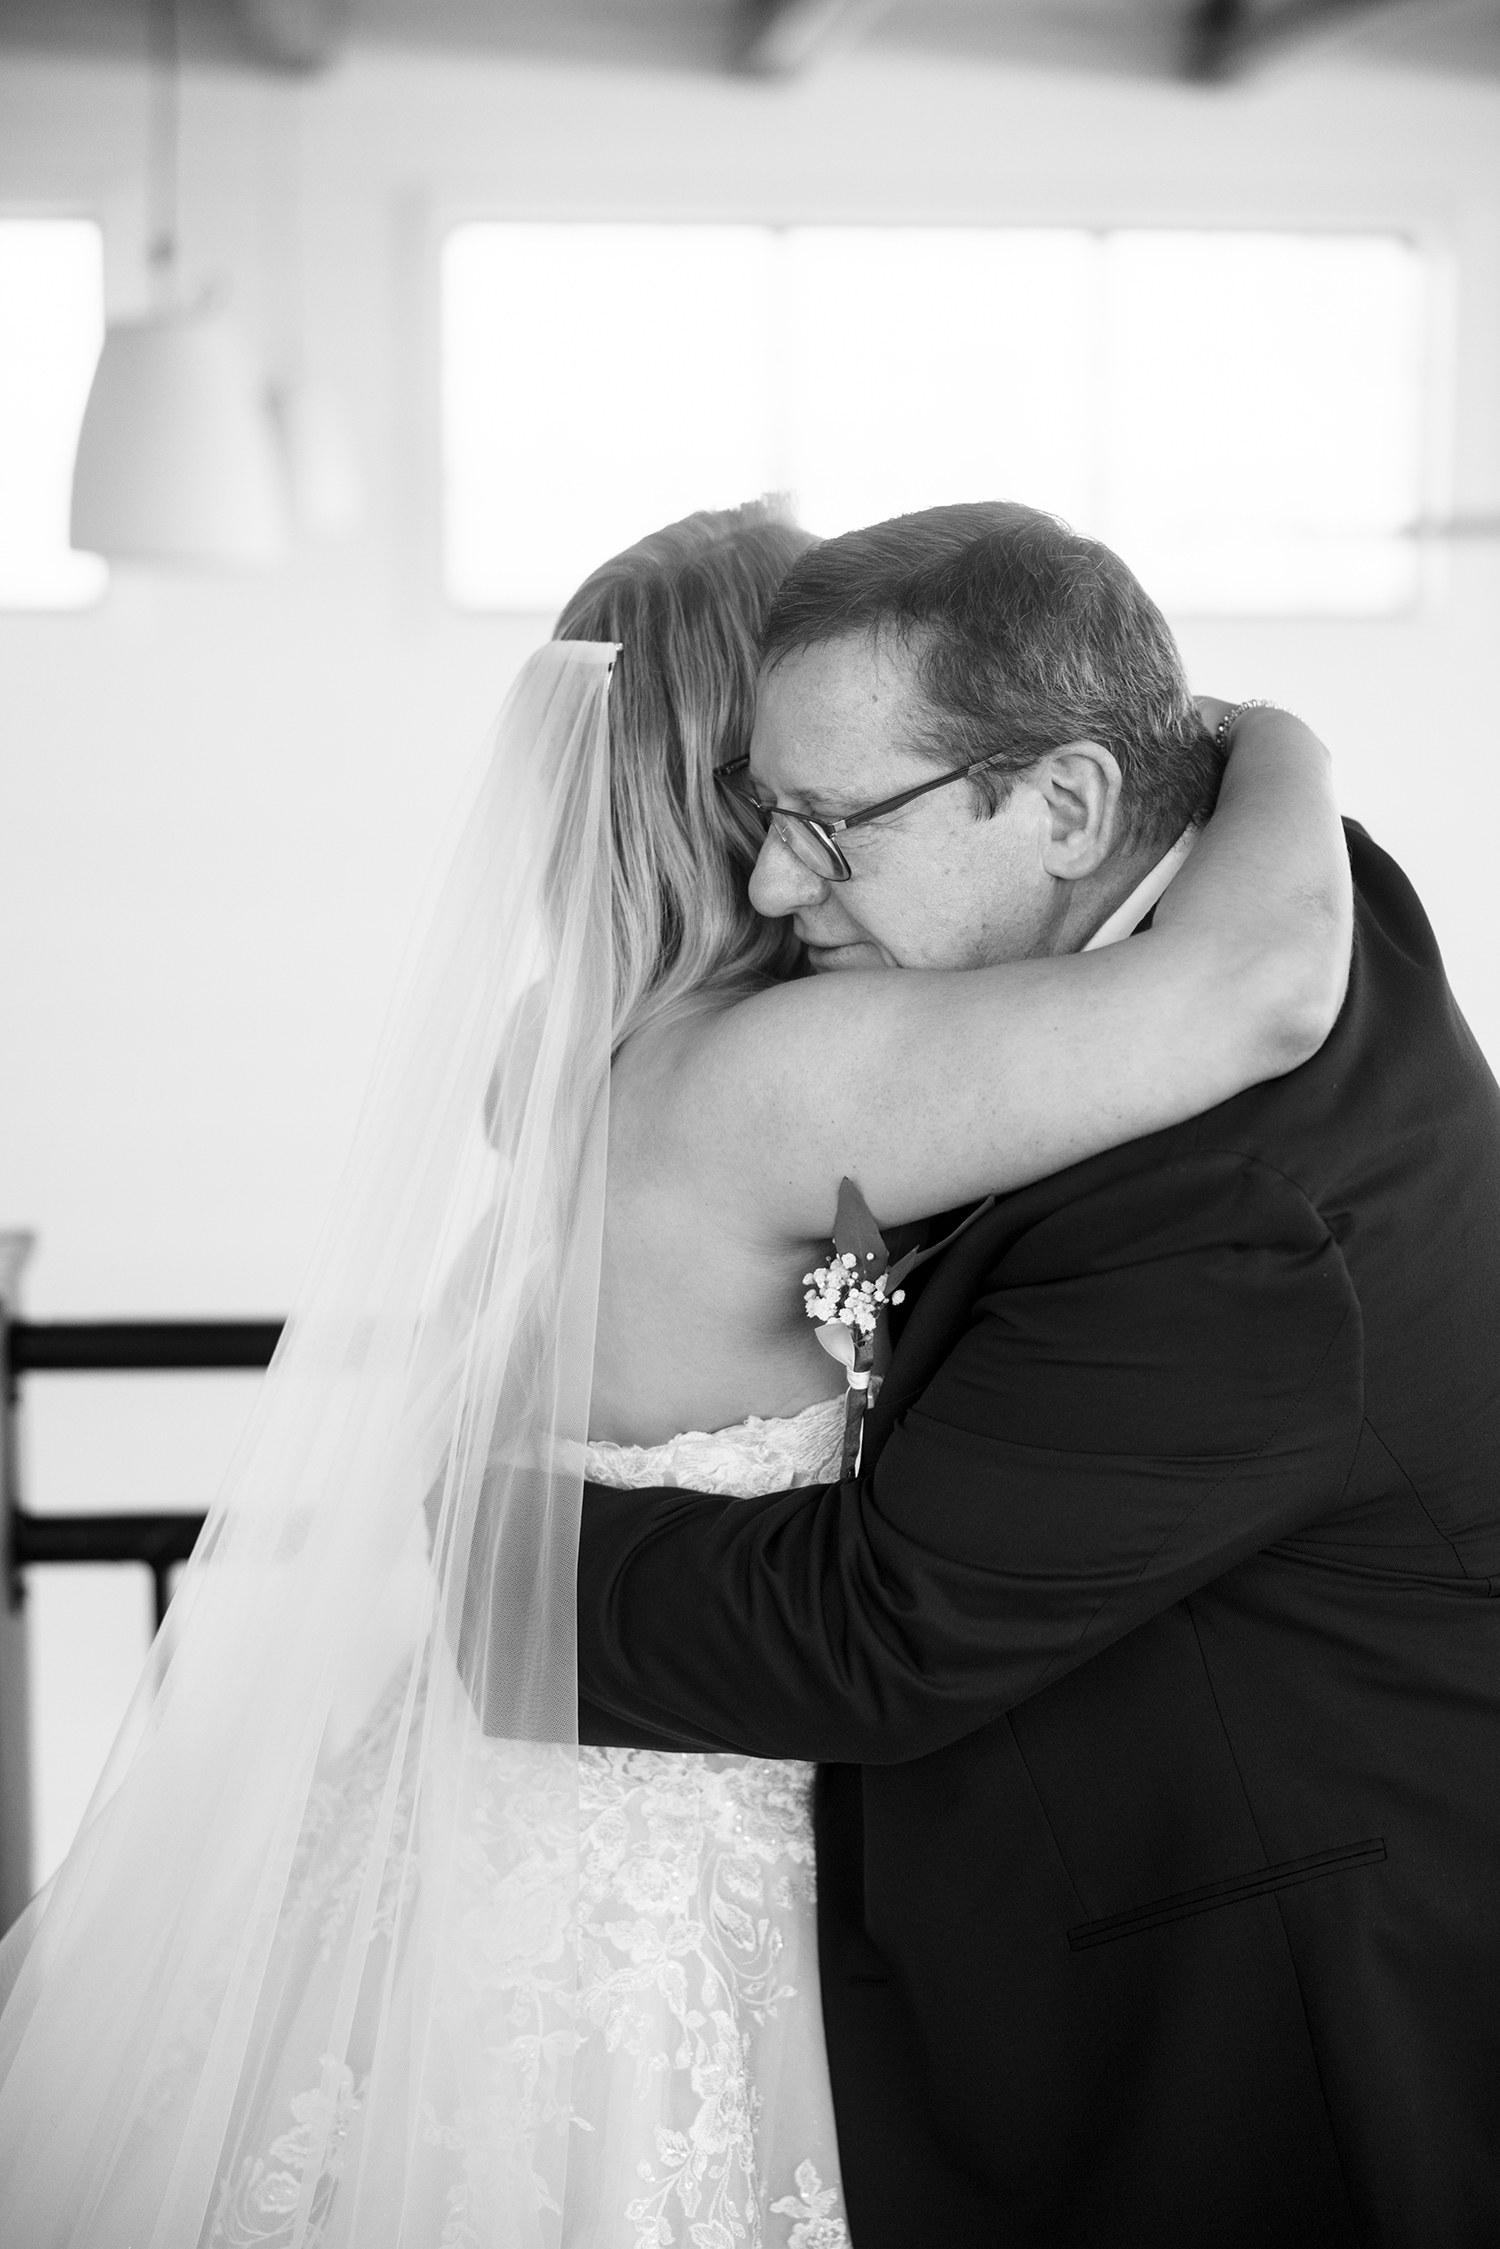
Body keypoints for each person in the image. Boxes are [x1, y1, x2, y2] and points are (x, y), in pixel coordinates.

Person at [0, 497, 1348, 2248]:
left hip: (477, 1802)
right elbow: (1245, 990)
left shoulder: (565, 1051)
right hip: (681, 1833)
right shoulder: (799, 1073)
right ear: (742, 783)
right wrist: (1275, 739)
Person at [573, 502, 1500, 2248]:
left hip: (1259, 2011)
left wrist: (484, 1568)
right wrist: (1278, 738)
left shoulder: (1232, 1218)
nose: (782, 881)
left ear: (1067, 803)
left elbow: (878, 1630)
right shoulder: (1276, 885)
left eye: (830, 829)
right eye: (764, 822)